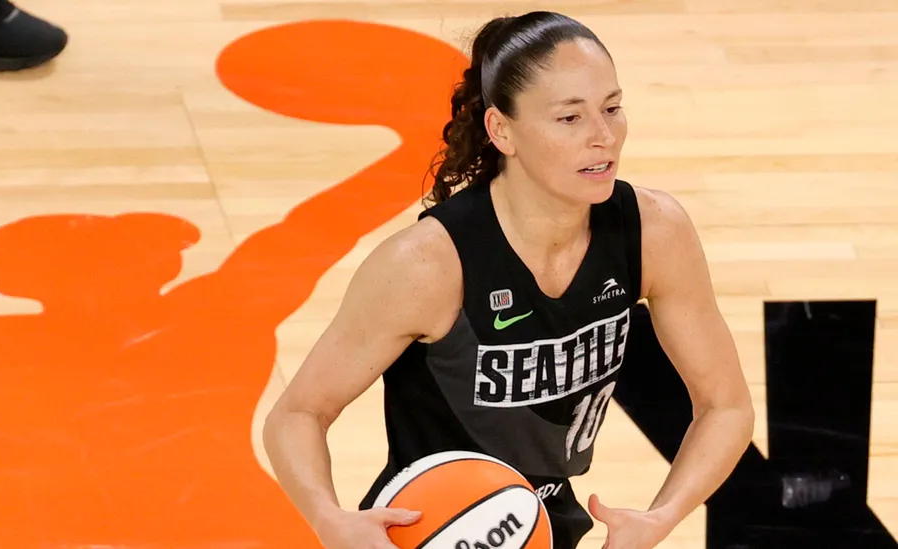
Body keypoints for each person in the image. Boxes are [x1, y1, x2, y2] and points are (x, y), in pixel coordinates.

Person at [260, 11, 755, 549]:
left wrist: (661, 517)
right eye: (570, 118)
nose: (604, 136)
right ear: (502, 130)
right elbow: (298, 413)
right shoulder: (427, 265)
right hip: (433, 531)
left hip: (545, 528)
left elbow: (726, 406)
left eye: (612, 108)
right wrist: (329, 519)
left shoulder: (654, 232)